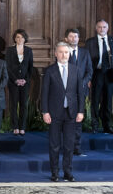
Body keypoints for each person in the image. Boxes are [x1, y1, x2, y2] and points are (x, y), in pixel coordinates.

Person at [41, 42, 86, 182]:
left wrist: (81, 111)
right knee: (54, 145)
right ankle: (55, 172)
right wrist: (45, 111)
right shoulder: (49, 71)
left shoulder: (76, 70)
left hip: (71, 113)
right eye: (60, 52)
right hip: (54, 113)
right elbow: (44, 93)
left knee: (69, 145)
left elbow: (80, 93)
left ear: (69, 54)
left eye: (66, 52)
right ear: (55, 54)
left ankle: (68, 172)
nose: (63, 55)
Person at [85, 19, 113, 134]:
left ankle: (107, 125)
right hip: (97, 73)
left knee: (108, 101)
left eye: (104, 27)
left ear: (108, 28)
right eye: (99, 27)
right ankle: (94, 125)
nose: (102, 29)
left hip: (110, 73)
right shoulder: (90, 42)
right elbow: (87, 61)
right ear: (96, 29)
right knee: (95, 100)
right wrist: (88, 78)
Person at [66, 28, 92, 156]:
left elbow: (89, 71)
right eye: (71, 37)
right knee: (67, 120)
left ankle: (77, 147)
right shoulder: (63, 52)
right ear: (66, 39)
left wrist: (82, 82)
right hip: (66, 92)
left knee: (78, 120)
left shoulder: (85, 52)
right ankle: (67, 146)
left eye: (76, 37)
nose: (74, 39)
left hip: (81, 91)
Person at [5, 29, 34, 136]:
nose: (20, 39)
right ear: (14, 38)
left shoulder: (29, 50)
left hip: (25, 82)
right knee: (13, 104)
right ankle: (15, 127)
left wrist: (25, 79)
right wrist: (15, 80)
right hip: (13, 82)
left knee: (24, 105)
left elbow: (30, 67)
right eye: (17, 37)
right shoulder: (10, 50)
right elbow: (7, 67)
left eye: (22, 37)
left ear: (25, 38)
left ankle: (22, 127)